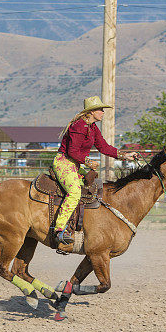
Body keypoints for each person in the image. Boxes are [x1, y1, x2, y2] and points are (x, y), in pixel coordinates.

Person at [52, 96, 138, 245]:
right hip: (64, 163)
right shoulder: (78, 126)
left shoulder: (92, 128)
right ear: (91, 112)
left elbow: (104, 147)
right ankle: (59, 229)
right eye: (100, 109)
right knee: (74, 192)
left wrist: (124, 155)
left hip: (75, 164)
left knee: (93, 187)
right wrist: (88, 161)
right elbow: (72, 152)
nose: (103, 112)